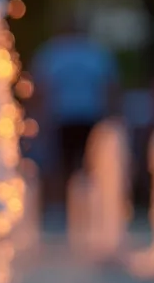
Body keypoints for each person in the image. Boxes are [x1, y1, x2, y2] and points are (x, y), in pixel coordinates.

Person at [30, 14, 119, 206]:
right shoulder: (95, 52)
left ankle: (64, 206)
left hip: (65, 116)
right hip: (86, 114)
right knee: (87, 163)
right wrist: (112, 115)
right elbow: (109, 87)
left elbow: (41, 89)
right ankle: (83, 205)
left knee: (64, 164)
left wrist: (39, 118)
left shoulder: (52, 53)